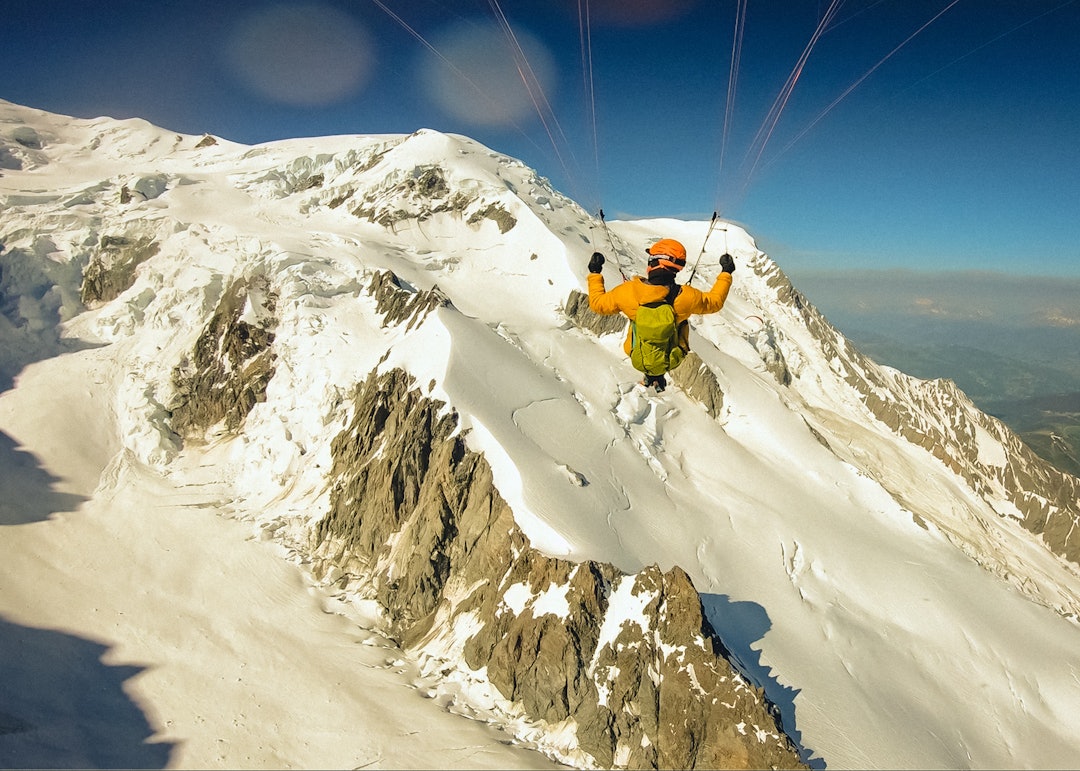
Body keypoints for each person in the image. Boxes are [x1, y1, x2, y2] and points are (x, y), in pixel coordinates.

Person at [587, 238, 735, 392]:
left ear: (653, 263)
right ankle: (657, 377)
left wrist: (595, 272)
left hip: (637, 355)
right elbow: (715, 302)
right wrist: (726, 272)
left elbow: (597, 303)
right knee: (676, 328)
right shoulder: (686, 297)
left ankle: (652, 376)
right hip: (672, 358)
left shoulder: (627, 292)